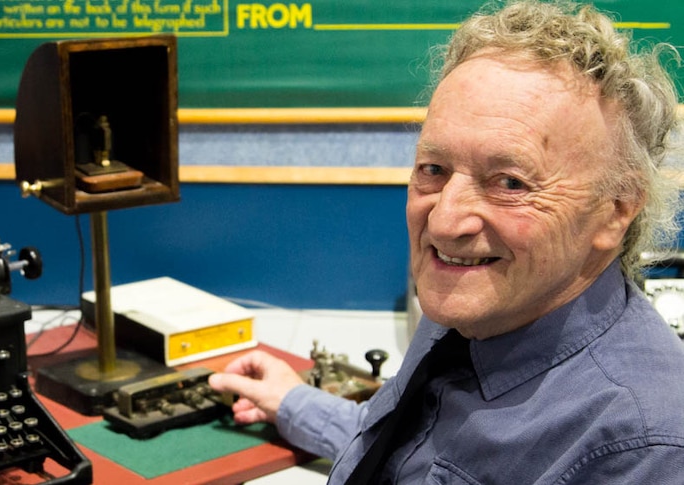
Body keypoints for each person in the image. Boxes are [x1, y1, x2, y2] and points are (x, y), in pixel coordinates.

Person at [208, 1, 684, 483]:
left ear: (616, 210)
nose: (444, 222)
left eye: (510, 182)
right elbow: (408, 451)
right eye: (433, 170)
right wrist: (293, 403)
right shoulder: (478, 308)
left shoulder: (643, 449)